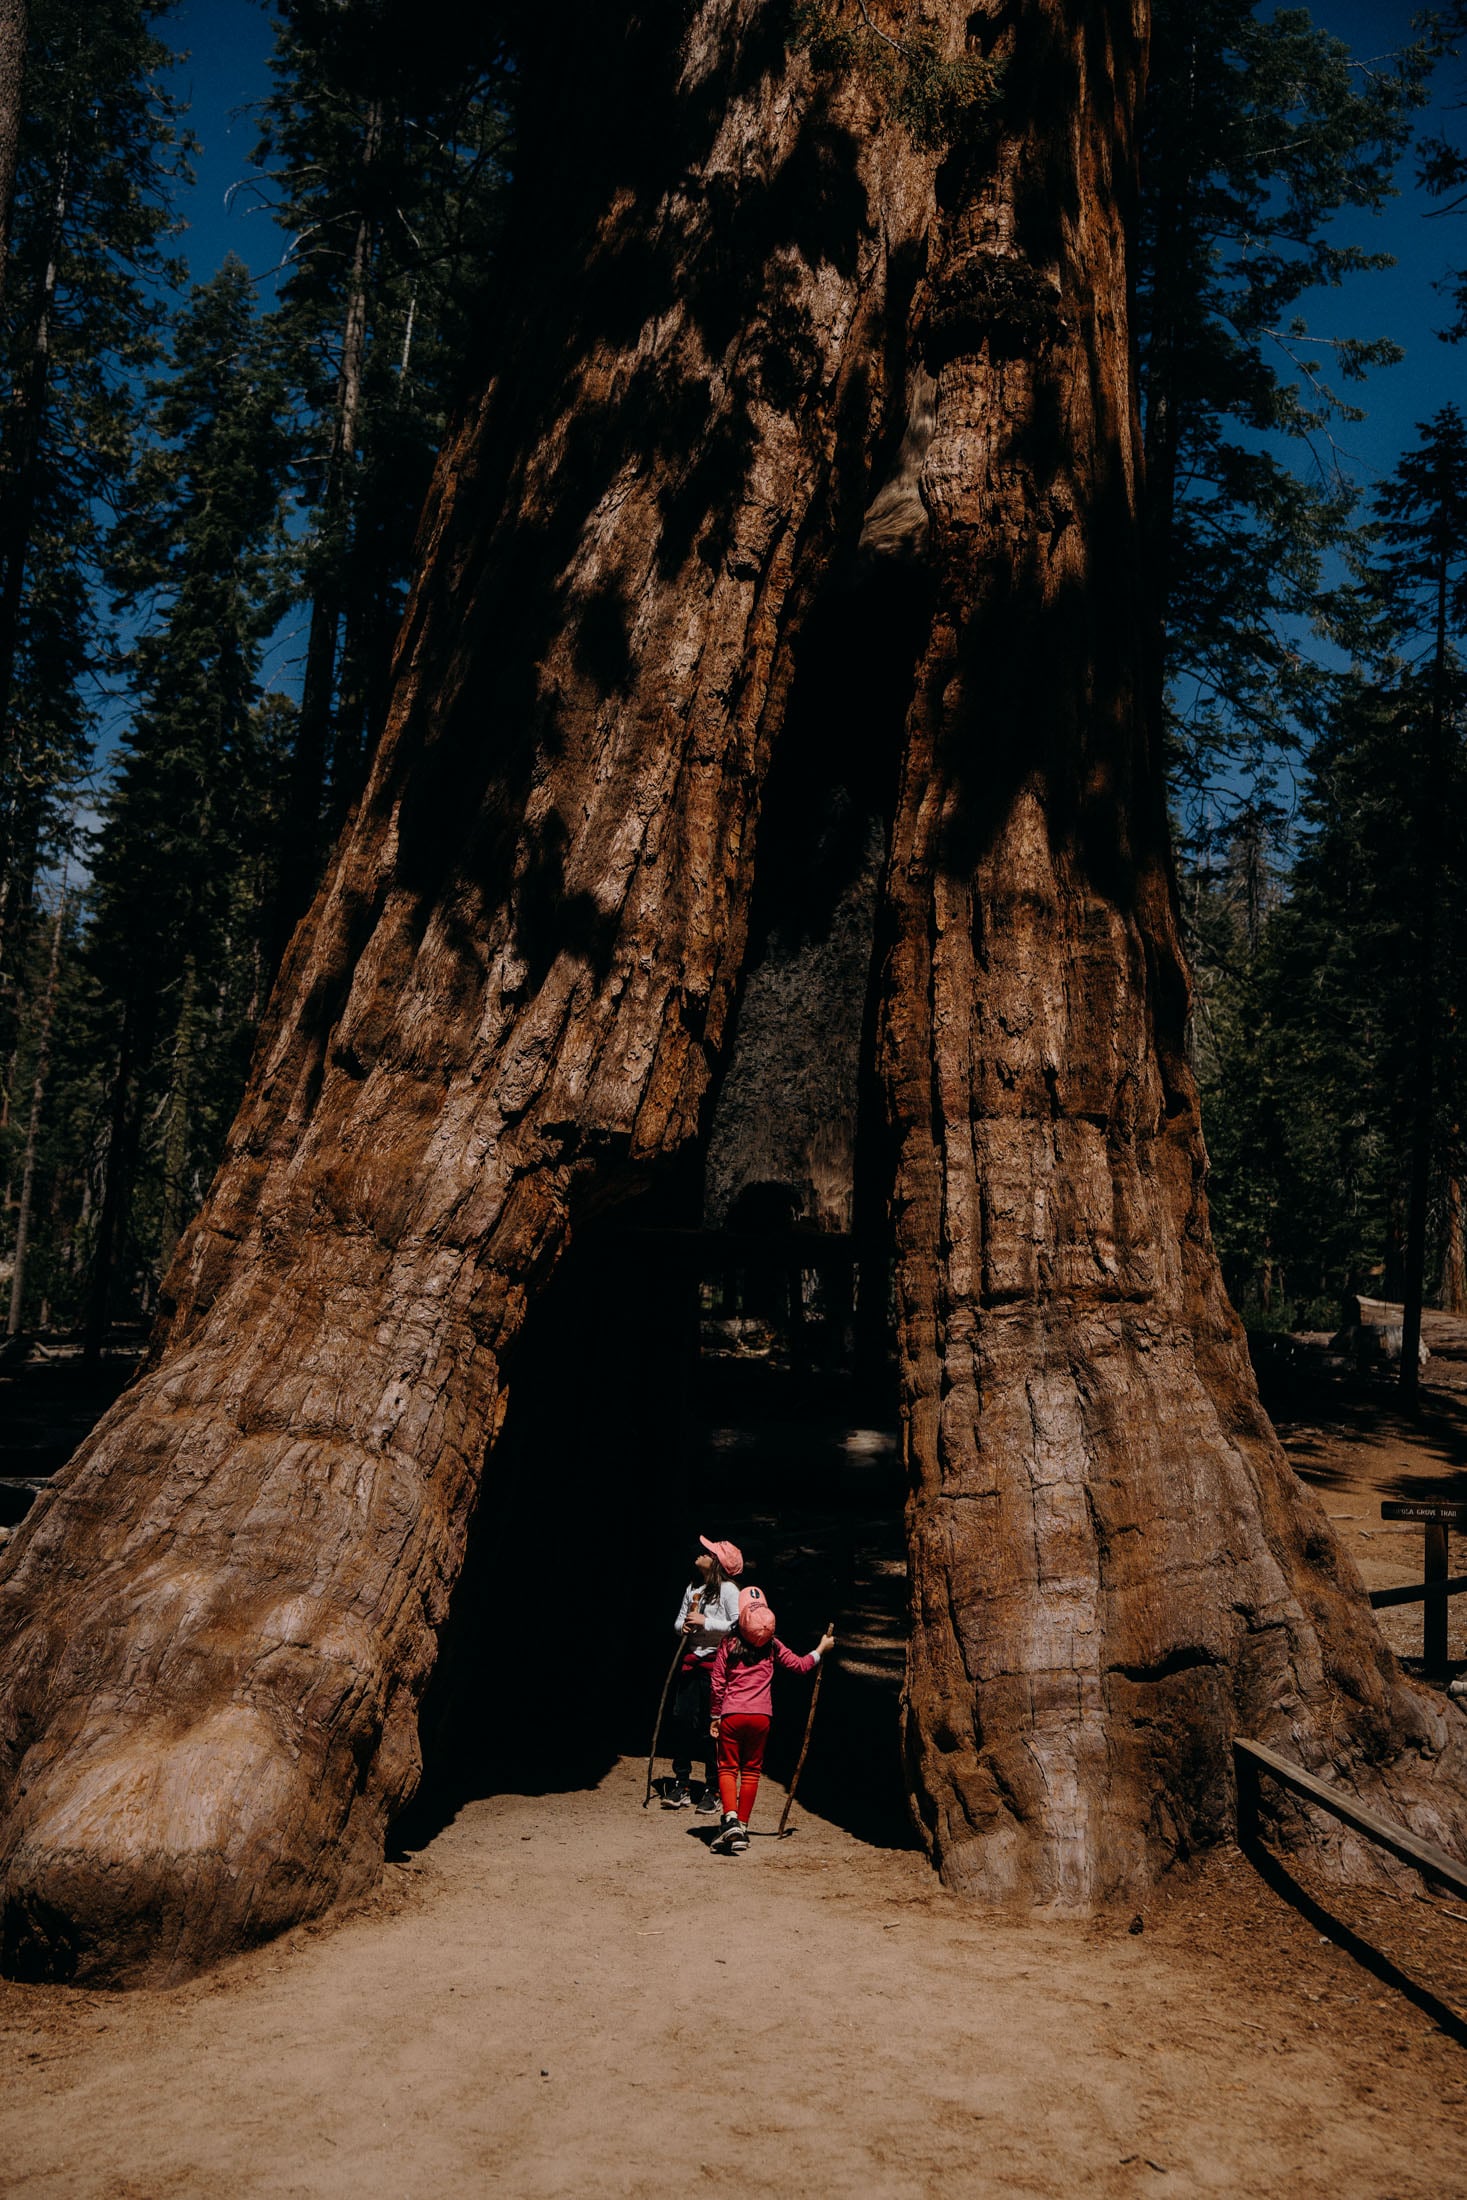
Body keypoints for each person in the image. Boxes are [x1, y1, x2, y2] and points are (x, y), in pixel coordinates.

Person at [707, 1599, 835, 1853]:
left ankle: (730, 1819)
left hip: (732, 1714)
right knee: (752, 1770)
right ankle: (742, 1827)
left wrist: (714, 1715)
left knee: (727, 1768)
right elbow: (800, 1665)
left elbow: (717, 1682)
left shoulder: (728, 1644)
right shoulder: (773, 1646)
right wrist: (820, 1649)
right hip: (761, 1717)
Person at [664, 1535, 743, 1812]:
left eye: (708, 1552)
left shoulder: (729, 1591)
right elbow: (678, 1620)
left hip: (717, 1667)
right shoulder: (693, 1588)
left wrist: (705, 1622)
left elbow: (738, 1626)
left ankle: (714, 1788)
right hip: (691, 1662)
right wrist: (682, 1628)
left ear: (717, 1563)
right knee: (683, 1720)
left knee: (712, 1728)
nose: (700, 1553)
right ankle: (681, 1783)